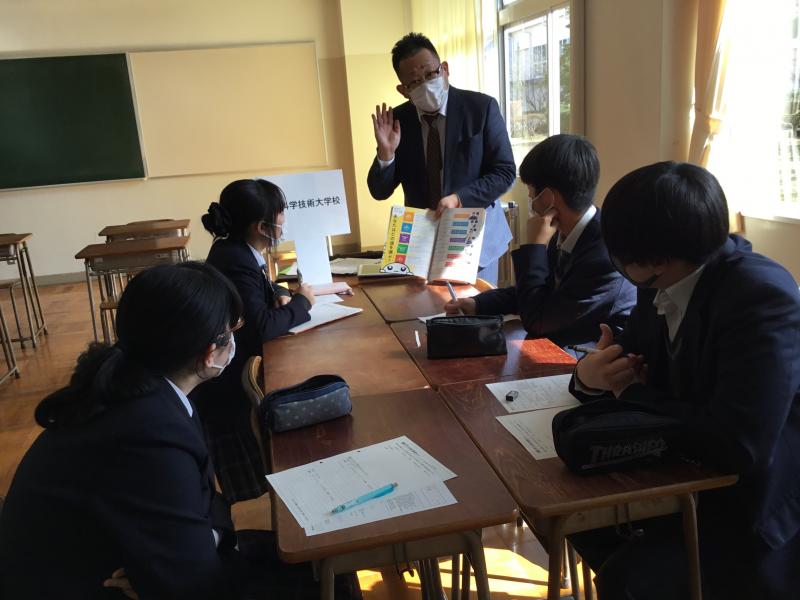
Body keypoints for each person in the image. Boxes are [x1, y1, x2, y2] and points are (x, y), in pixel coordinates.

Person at [568, 162, 800, 599]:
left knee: (629, 578)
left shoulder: (760, 296)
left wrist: (632, 392)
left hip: (753, 499)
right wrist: (590, 373)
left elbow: (740, 445)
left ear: (658, 260)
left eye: (618, 254)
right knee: (581, 523)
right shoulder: (658, 281)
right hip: (687, 469)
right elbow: (629, 357)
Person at [0, 262, 246, 599]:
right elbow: (196, 583)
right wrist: (195, 549)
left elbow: (207, 504)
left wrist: (206, 538)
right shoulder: (149, 433)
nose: (234, 340)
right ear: (208, 353)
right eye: (231, 330)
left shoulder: (142, 392)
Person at [445, 134, 636, 350]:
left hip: (593, 354)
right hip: (564, 341)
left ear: (547, 197)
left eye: (531, 192)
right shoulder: (568, 231)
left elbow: (537, 320)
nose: (530, 200)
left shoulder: (603, 256)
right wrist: (478, 304)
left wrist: (534, 247)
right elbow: (535, 291)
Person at [195, 178, 314, 503]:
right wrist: (302, 303)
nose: (284, 220)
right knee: (256, 494)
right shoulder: (235, 261)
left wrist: (279, 292)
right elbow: (260, 326)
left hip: (231, 384)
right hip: (228, 399)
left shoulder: (235, 252)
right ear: (261, 226)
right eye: (280, 214)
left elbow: (259, 287)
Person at [368, 32, 516, 285]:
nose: (426, 84)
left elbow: (504, 172)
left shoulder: (481, 108)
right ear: (403, 90)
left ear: (445, 69)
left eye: (431, 74)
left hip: (473, 240)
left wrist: (459, 198)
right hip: (422, 244)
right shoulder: (398, 121)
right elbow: (379, 191)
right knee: (424, 308)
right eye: (415, 82)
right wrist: (386, 153)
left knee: (476, 307)